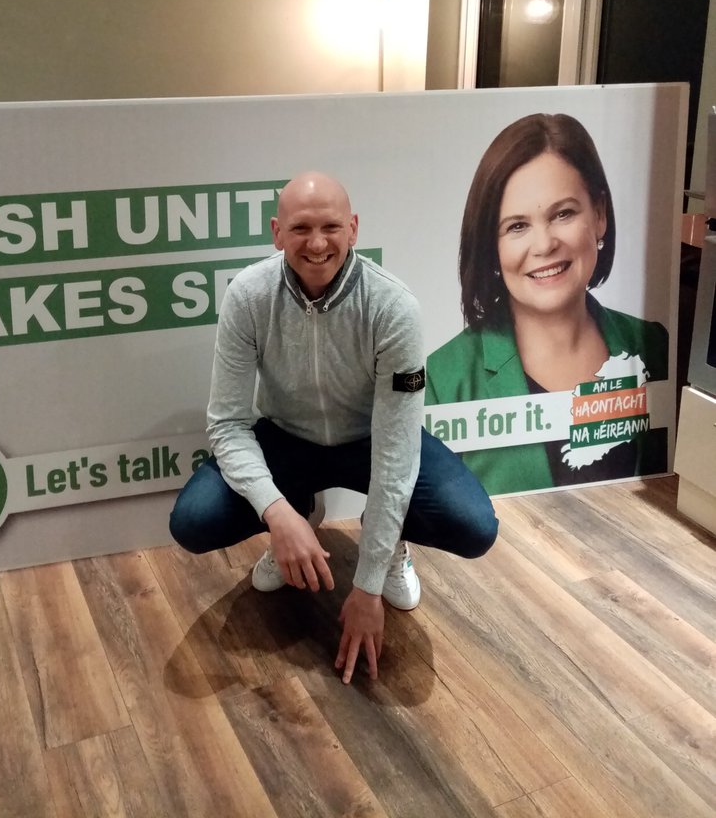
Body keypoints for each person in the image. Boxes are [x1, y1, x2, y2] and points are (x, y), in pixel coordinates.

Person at [169, 171, 498, 685]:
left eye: (331, 227)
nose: (317, 243)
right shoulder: (248, 296)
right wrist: (278, 516)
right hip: (286, 439)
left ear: (354, 228)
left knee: (474, 525)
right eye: (301, 228)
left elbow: (394, 450)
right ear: (277, 232)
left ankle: (388, 544)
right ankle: (300, 514)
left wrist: (367, 587)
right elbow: (229, 424)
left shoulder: (393, 307)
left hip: (372, 440)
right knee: (194, 520)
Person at [426, 113, 668, 494]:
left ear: (599, 215)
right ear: (492, 244)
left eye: (563, 213)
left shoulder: (655, 346)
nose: (544, 245)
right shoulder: (443, 379)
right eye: (517, 226)